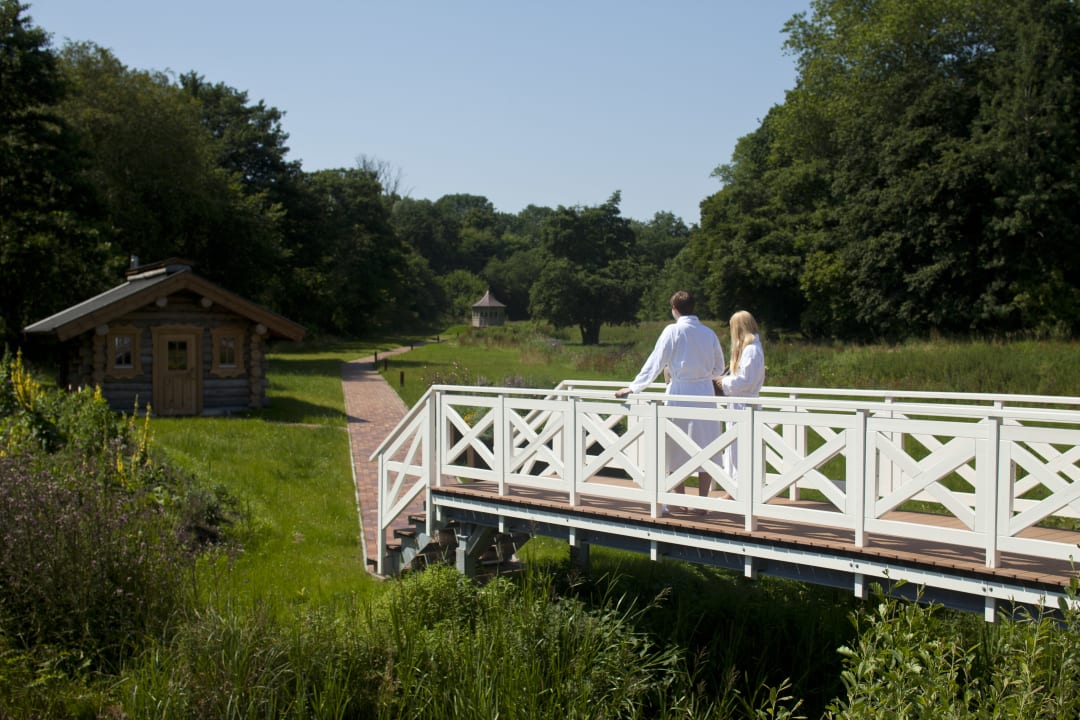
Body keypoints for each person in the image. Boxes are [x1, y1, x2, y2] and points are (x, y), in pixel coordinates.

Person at [615, 291, 726, 515]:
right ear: (693, 307)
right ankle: (703, 502)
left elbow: (656, 361)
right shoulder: (709, 333)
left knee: (676, 444)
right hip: (705, 393)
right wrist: (704, 376)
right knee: (707, 446)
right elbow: (719, 367)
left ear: (675, 309)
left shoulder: (672, 331)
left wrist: (635, 387)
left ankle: (678, 500)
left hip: (680, 392)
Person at [718, 310, 765, 480]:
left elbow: (746, 381)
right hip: (740, 404)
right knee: (736, 447)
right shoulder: (750, 349)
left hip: (745, 405)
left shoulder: (751, 350)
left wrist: (723, 382)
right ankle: (735, 484)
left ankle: (741, 484)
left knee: (742, 448)